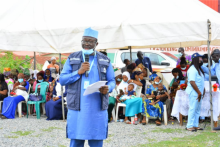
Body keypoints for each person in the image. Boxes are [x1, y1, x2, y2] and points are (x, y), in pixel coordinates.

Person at [59, 27, 115, 147]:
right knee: (76, 140)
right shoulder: (72, 58)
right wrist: (78, 72)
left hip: (97, 106)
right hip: (77, 107)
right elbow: (62, 80)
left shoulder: (105, 60)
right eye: (84, 40)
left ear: (96, 43)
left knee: (96, 140)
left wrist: (108, 88)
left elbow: (112, 81)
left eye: (90, 41)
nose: (87, 44)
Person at [185, 53, 205, 132]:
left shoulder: (198, 68)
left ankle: (195, 125)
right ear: (195, 59)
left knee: (197, 109)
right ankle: (189, 126)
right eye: (200, 58)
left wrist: (202, 91)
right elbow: (192, 82)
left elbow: (200, 82)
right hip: (194, 93)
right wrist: (199, 93)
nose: (201, 59)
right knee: (193, 108)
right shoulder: (192, 69)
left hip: (199, 92)